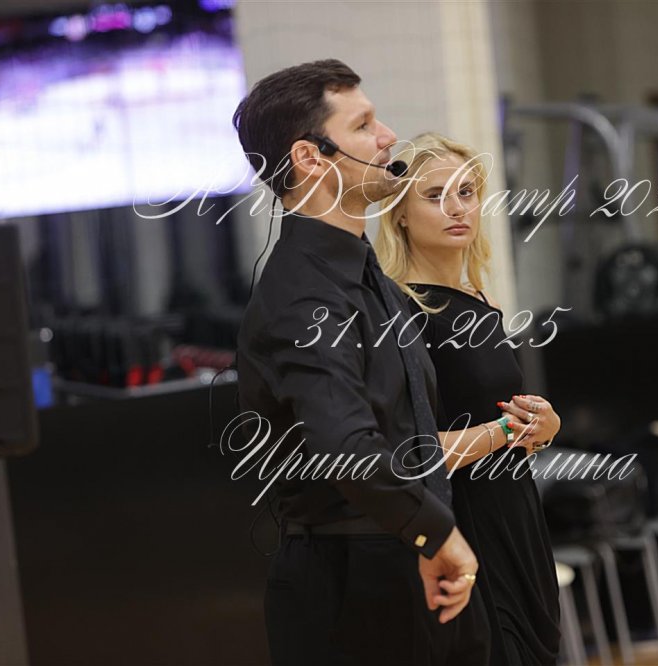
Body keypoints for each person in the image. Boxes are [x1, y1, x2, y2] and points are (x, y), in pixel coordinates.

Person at [233, 61, 488, 665]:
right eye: (364, 125)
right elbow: (346, 444)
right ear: (310, 157)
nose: (387, 137)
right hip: (352, 581)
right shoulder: (303, 294)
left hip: (411, 560)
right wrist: (435, 533)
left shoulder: (366, 273)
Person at [374, 132, 562, 665]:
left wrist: (544, 427)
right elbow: (409, 451)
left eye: (466, 192)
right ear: (400, 213)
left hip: (517, 515)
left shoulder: (481, 301)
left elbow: (508, 418)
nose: (457, 208)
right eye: (435, 196)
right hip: (462, 525)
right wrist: (503, 432)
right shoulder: (401, 316)